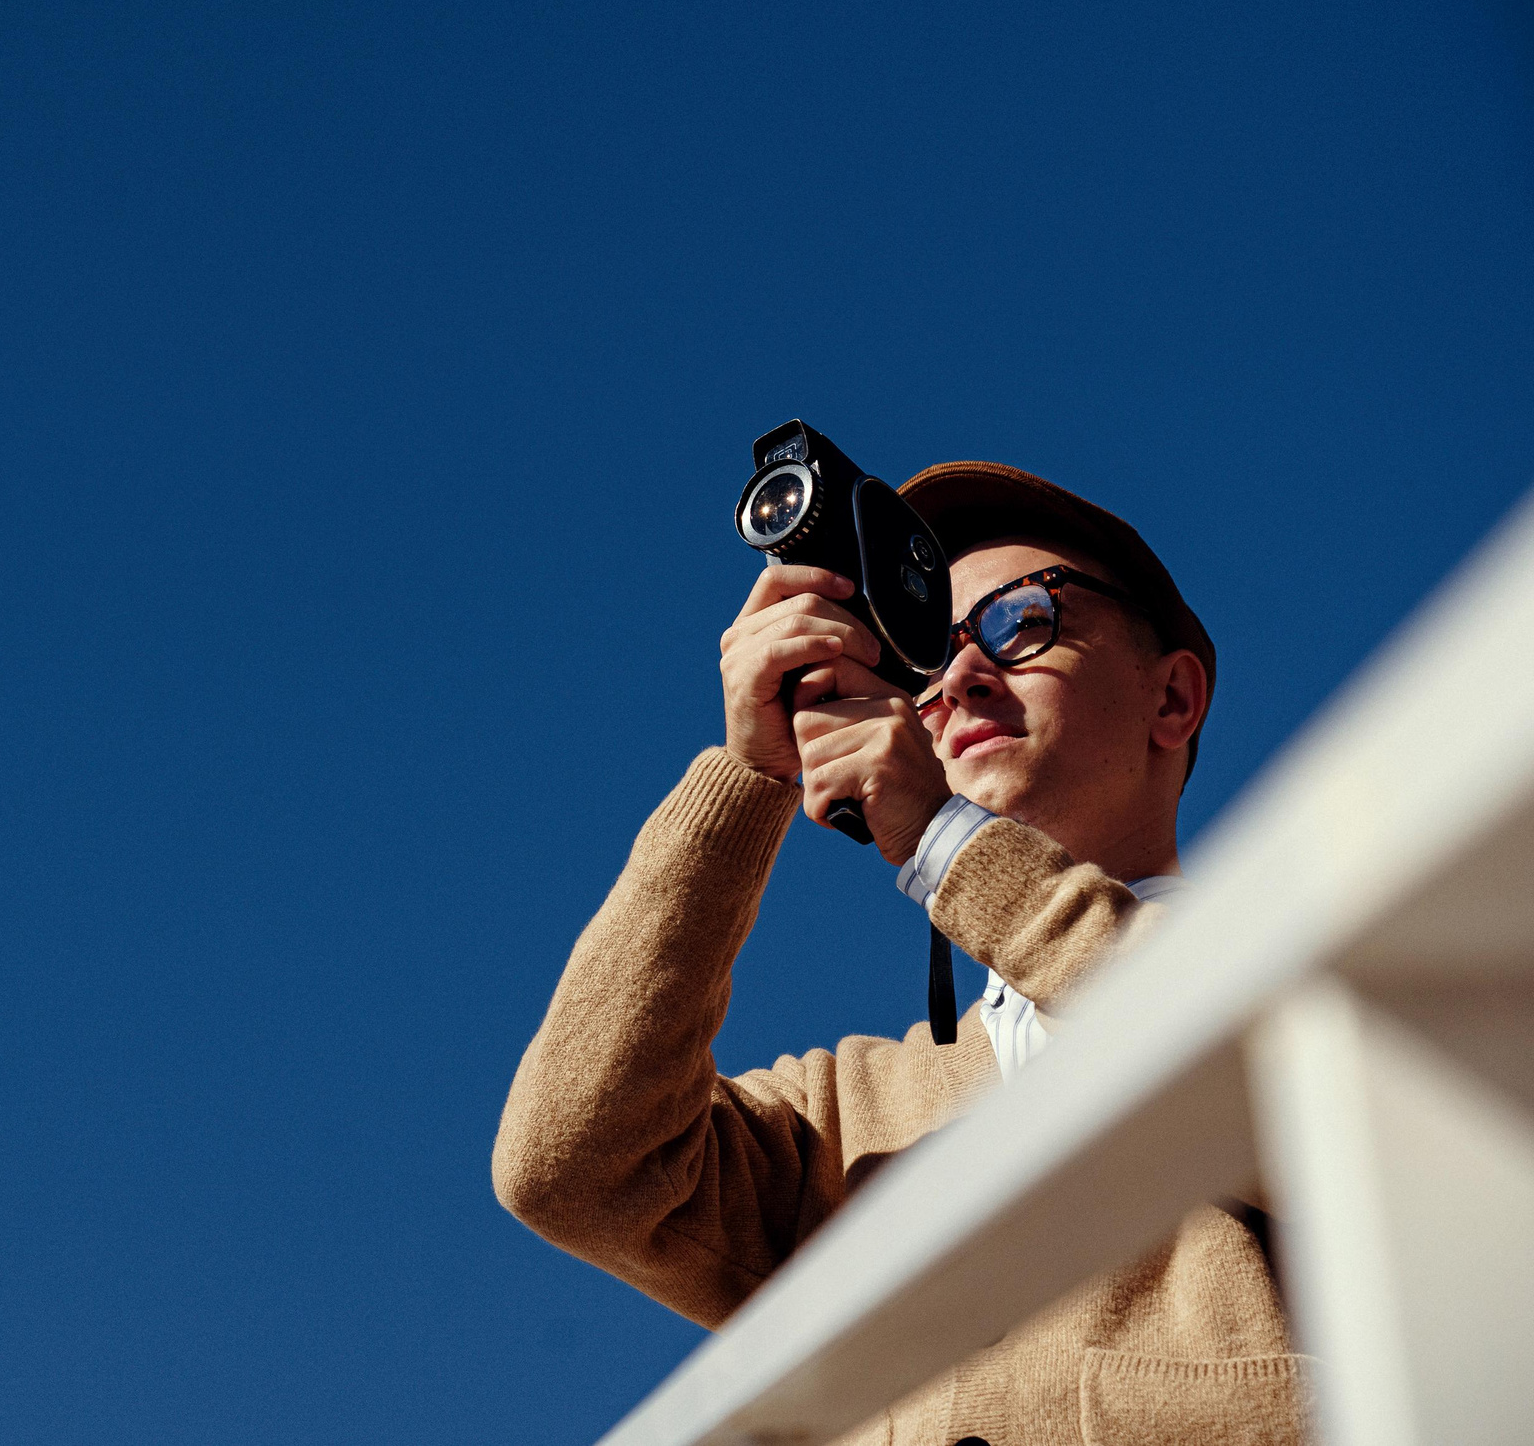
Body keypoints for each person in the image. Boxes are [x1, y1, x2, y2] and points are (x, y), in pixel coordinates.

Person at [492, 461, 1310, 1446]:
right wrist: (750, 776)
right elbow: (567, 1167)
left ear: (1171, 699)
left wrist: (943, 839)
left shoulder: (1325, 948)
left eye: (1021, 622)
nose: (958, 678)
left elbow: (1303, 1088)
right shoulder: (847, 1123)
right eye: (924, 657)